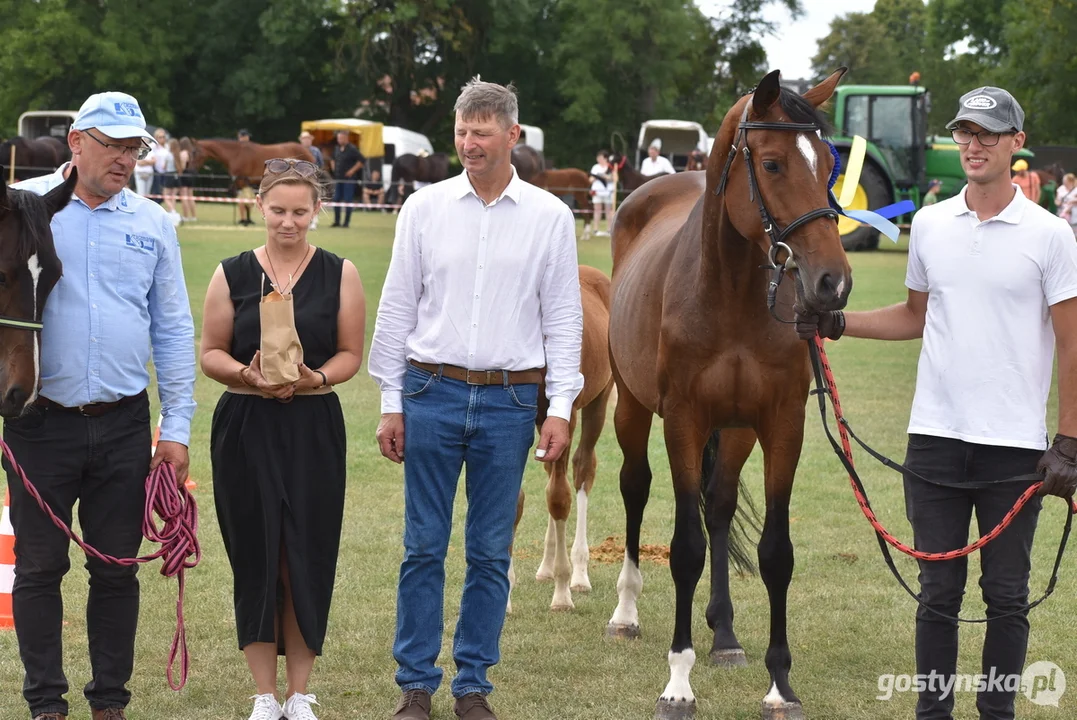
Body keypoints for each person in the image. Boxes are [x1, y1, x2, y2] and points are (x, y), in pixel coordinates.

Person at [796, 86, 1077, 720]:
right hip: (935, 440)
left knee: (1007, 596)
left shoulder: (1051, 235)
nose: (973, 144)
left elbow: (1070, 343)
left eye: (987, 133)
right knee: (937, 594)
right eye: (965, 133)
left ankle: (996, 713)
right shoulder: (929, 224)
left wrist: (1069, 439)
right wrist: (838, 324)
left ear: (1015, 144)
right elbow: (915, 316)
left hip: (1015, 448)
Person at [368, 77, 583, 720]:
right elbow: (398, 306)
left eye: (482, 132)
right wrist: (390, 398)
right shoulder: (423, 209)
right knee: (423, 545)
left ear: (512, 135)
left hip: (511, 401)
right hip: (430, 390)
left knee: (491, 550)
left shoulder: (550, 217)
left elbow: (564, 319)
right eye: (461, 131)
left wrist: (561, 407)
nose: (468, 143)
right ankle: (414, 684)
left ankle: (473, 686)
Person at [3, 91, 196, 720]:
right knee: (39, 568)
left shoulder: (154, 223)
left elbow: (171, 329)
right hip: (38, 423)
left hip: (122, 423)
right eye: (111, 145)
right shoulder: (20, 206)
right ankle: (46, 706)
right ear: (77, 142)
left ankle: (109, 703)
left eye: (133, 148)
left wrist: (178, 425)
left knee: (116, 570)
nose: (124, 159)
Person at [200, 157, 366, 720]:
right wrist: (246, 375)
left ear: (317, 211)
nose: (288, 221)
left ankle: (300, 693)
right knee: (257, 555)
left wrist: (315, 377)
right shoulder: (232, 272)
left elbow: (350, 355)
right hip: (246, 426)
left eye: (300, 211)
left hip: (313, 427)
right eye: (277, 210)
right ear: (259, 209)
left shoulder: (340, 272)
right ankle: (264, 695)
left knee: (305, 555)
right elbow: (211, 353)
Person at [329, 130, 364, 228]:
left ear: (346, 138)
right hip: (338, 179)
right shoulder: (336, 149)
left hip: (349, 180)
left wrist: (352, 171)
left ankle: (346, 222)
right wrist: (333, 167)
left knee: (348, 200)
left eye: (341, 138)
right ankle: (336, 221)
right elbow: (332, 158)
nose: (339, 140)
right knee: (336, 199)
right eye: (338, 138)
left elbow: (362, 160)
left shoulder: (352, 149)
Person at [589, 150, 612, 236]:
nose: (599, 159)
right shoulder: (595, 167)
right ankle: (596, 229)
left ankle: (609, 230)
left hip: (608, 192)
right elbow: (590, 179)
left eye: (600, 158)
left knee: (608, 211)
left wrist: (604, 176)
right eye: (598, 158)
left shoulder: (610, 166)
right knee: (597, 210)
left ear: (605, 158)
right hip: (597, 192)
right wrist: (597, 177)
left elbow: (613, 178)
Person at [237, 129, 256, 225]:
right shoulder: (238, 149)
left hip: (250, 177)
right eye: (246, 136)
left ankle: (247, 217)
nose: (248, 138)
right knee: (241, 198)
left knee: (250, 199)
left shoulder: (250, 148)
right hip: (241, 177)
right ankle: (243, 218)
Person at [177, 137, 198, 222]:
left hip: (185, 175)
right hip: (191, 175)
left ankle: (185, 216)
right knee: (190, 196)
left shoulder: (183, 153)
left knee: (184, 196)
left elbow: (182, 167)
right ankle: (194, 216)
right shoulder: (191, 154)